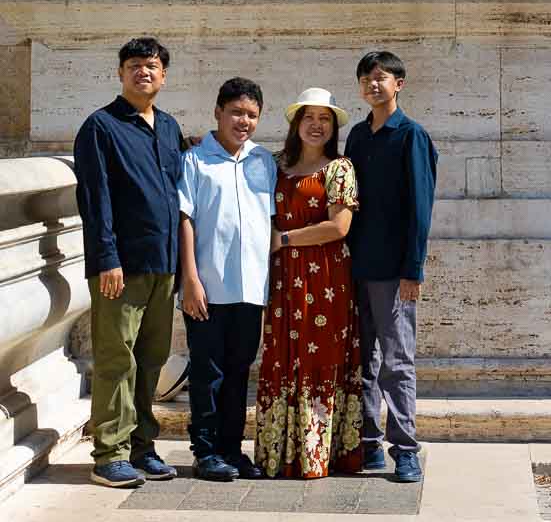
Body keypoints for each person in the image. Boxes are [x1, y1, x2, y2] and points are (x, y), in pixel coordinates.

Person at [73, 36, 183, 488]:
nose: (144, 72)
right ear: (120, 74)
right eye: (134, 65)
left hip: (164, 265)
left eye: (152, 65)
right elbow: (95, 200)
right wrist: (107, 259)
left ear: (164, 75)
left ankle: (141, 446)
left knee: (151, 359)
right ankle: (109, 455)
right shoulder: (100, 127)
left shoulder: (171, 127)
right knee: (117, 359)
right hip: (122, 266)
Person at [254, 87, 362, 479]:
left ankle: (316, 454)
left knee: (320, 357)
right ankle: (278, 452)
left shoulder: (339, 169)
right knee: (281, 354)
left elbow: (338, 227)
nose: (316, 126)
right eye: (309, 117)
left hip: (325, 276)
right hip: (284, 279)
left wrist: (282, 239)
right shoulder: (272, 166)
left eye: (325, 119)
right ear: (296, 123)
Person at [345, 51, 438, 484]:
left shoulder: (411, 136)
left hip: (393, 271)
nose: (373, 85)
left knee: (397, 362)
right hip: (354, 267)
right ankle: (368, 442)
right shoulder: (358, 137)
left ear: (398, 83)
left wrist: (412, 270)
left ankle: (405, 449)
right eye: (366, 78)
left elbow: (420, 209)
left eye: (381, 78)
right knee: (361, 360)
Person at [178, 77, 276, 481]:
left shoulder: (263, 161)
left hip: (252, 289)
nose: (243, 121)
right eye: (236, 112)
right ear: (218, 112)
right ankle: (204, 451)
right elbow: (185, 218)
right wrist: (190, 280)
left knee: (239, 370)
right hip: (208, 287)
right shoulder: (196, 160)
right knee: (208, 371)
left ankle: (232, 450)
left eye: (252, 115)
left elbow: (269, 222)